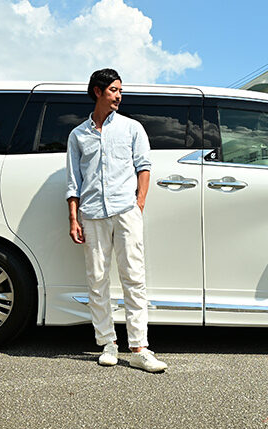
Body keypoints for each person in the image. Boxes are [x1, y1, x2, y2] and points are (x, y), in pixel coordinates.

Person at [64, 68, 167, 373]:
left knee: (133, 277)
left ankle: (139, 348)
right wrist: (73, 218)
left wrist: (139, 203)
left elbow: (144, 167)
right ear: (98, 91)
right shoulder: (78, 135)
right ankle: (107, 343)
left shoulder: (132, 128)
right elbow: (73, 180)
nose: (119, 96)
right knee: (97, 279)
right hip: (92, 213)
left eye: (120, 90)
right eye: (114, 90)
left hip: (125, 211)